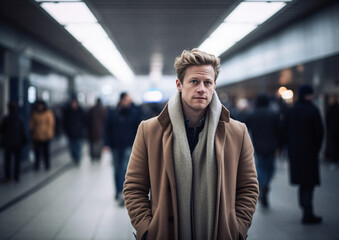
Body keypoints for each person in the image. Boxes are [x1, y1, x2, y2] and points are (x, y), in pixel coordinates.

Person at [123, 49, 259, 240]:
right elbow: (134, 187)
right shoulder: (150, 130)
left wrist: (237, 229)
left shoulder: (237, 132)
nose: (201, 88)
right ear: (179, 84)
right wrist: (147, 230)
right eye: (194, 81)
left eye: (207, 82)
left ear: (214, 86)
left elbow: (248, 187)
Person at [284, 83, 324, 224]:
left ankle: (305, 208)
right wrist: (316, 149)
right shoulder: (313, 110)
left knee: (302, 182)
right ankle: (308, 211)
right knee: (309, 183)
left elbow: (285, 130)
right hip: (310, 153)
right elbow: (319, 132)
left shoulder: (292, 110)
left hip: (295, 153)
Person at [105, 92, 141, 206]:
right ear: (121, 100)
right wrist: (106, 144)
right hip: (115, 145)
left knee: (125, 169)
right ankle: (118, 192)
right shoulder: (113, 113)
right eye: (126, 99)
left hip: (128, 145)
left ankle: (123, 194)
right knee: (116, 170)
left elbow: (138, 130)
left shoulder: (134, 113)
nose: (128, 102)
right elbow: (107, 128)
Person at [246, 93, 281, 208]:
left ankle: (263, 186)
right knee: (270, 168)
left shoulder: (252, 114)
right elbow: (279, 130)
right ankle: (266, 185)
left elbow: (246, 129)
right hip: (271, 146)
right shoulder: (273, 114)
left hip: (258, 146)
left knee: (260, 168)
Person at [0, 102, 27, 182]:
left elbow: (1, 130)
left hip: (8, 143)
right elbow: (23, 131)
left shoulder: (6, 119)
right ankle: (16, 176)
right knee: (17, 160)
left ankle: (8, 177)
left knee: (7, 161)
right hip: (17, 143)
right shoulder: (20, 118)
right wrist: (25, 140)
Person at [30, 100, 55, 170]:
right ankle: (36, 165)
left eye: (41, 105)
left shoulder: (48, 113)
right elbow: (32, 123)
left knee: (46, 152)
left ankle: (47, 165)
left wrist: (49, 134)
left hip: (46, 136)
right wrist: (32, 130)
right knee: (37, 152)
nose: (40, 107)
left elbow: (51, 124)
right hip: (37, 136)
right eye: (39, 105)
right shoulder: (35, 114)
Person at [63, 98, 86, 165]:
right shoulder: (67, 111)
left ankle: (78, 158)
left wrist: (83, 130)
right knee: (72, 148)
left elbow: (84, 121)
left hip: (79, 133)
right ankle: (74, 157)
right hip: (70, 133)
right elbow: (65, 122)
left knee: (78, 146)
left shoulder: (81, 111)